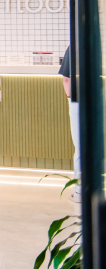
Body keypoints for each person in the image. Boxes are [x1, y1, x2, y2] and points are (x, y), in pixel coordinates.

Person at [58, 46, 82, 203]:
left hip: (78, 101)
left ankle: (80, 192)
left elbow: (67, 79)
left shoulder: (75, 45)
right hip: (98, 98)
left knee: (80, 147)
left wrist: (69, 98)